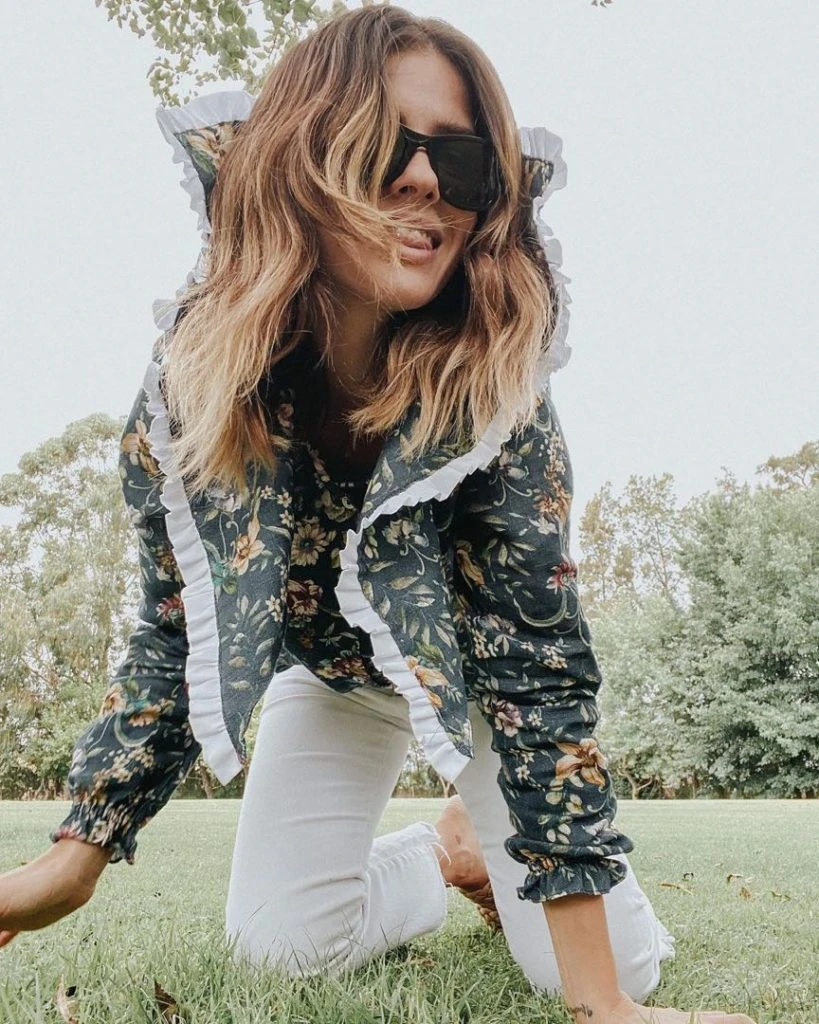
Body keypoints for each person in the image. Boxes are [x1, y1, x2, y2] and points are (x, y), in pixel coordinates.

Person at [0, 7, 755, 1023]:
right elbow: (177, 632)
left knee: (617, 972)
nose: (426, 182)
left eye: (460, 158)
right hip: (336, 678)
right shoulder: (194, 389)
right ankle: (445, 854)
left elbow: (536, 672)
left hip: (479, 686)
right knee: (278, 950)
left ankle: (531, 876)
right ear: (301, 157)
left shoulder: (498, 397)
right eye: (386, 144)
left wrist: (600, 1006)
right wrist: (74, 859)